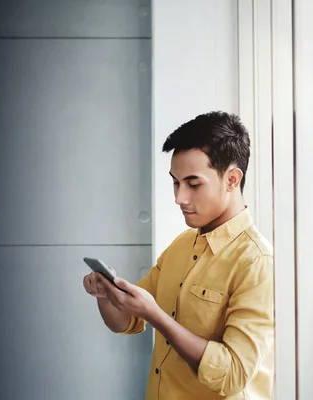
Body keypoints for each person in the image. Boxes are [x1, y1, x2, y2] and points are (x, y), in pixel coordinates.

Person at [83, 111, 274, 399]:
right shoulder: (182, 246)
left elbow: (233, 374)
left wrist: (156, 316)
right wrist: (105, 294)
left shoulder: (256, 261)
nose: (179, 198)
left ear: (232, 179)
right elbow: (126, 321)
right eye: (175, 182)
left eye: (193, 184)